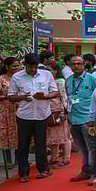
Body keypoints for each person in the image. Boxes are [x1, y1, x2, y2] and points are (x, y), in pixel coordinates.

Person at [8, 53, 59, 182]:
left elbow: (55, 91)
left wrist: (45, 97)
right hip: (24, 115)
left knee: (41, 144)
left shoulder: (46, 75)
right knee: (23, 145)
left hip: (42, 114)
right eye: (31, 67)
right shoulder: (17, 77)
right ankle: (23, 173)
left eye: (35, 67)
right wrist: (22, 97)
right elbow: (10, 96)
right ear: (25, 65)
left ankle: (43, 169)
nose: (33, 70)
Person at [66, 56, 96, 185]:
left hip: (88, 119)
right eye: (73, 64)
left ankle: (95, 173)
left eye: (79, 64)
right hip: (73, 118)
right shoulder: (68, 80)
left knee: (92, 146)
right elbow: (68, 97)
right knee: (81, 148)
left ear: (84, 64)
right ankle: (85, 170)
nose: (76, 66)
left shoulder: (91, 79)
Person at [47, 62, 71, 167]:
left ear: (55, 70)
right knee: (54, 136)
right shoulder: (49, 81)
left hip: (59, 110)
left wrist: (64, 111)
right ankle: (54, 158)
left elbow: (64, 97)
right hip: (50, 111)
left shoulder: (60, 81)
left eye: (50, 69)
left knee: (64, 136)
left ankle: (66, 158)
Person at [0, 57, 20, 167]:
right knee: (6, 134)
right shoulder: (0, 79)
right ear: (7, 67)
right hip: (5, 110)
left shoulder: (20, 78)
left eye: (18, 66)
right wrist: (7, 97)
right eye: (14, 66)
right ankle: (8, 161)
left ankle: (18, 159)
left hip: (19, 108)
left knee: (20, 133)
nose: (17, 68)